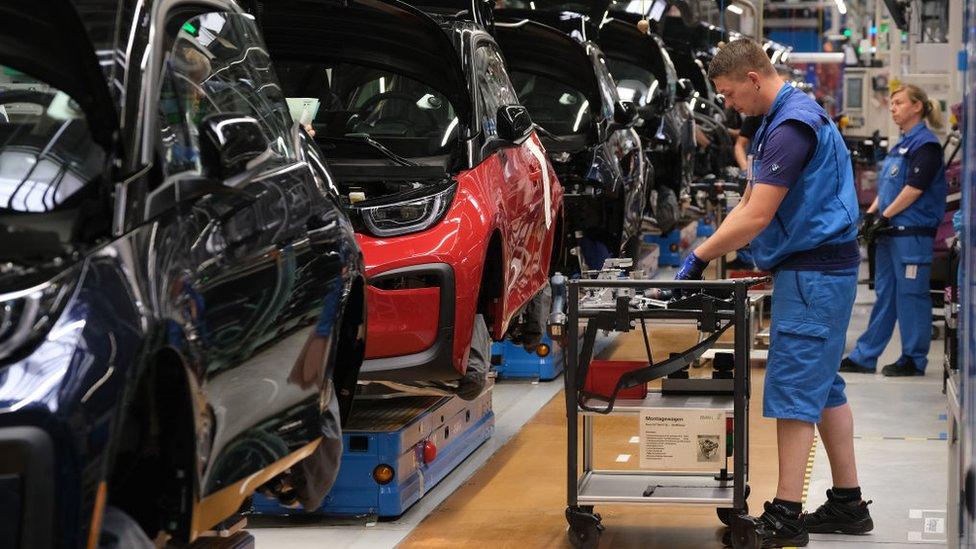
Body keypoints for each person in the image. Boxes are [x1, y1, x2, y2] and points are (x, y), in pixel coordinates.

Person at [675, 39, 871, 547]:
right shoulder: (780, 119)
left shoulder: (789, 126)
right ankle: (848, 503)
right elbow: (748, 203)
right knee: (824, 388)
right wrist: (715, 246)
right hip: (817, 271)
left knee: (793, 393)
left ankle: (786, 514)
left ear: (754, 79)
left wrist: (699, 259)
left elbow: (758, 214)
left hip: (814, 277)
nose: (728, 105)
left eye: (729, 93)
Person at [841, 85, 947, 377]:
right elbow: (890, 188)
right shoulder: (901, 145)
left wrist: (884, 215)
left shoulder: (926, 145)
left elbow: (914, 189)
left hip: (912, 234)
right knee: (886, 296)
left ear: (917, 107)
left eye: (899, 103)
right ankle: (865, 356)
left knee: (912, 296)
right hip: (890, 232)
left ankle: (913, 358)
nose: (893, 107)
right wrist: (872, 214)